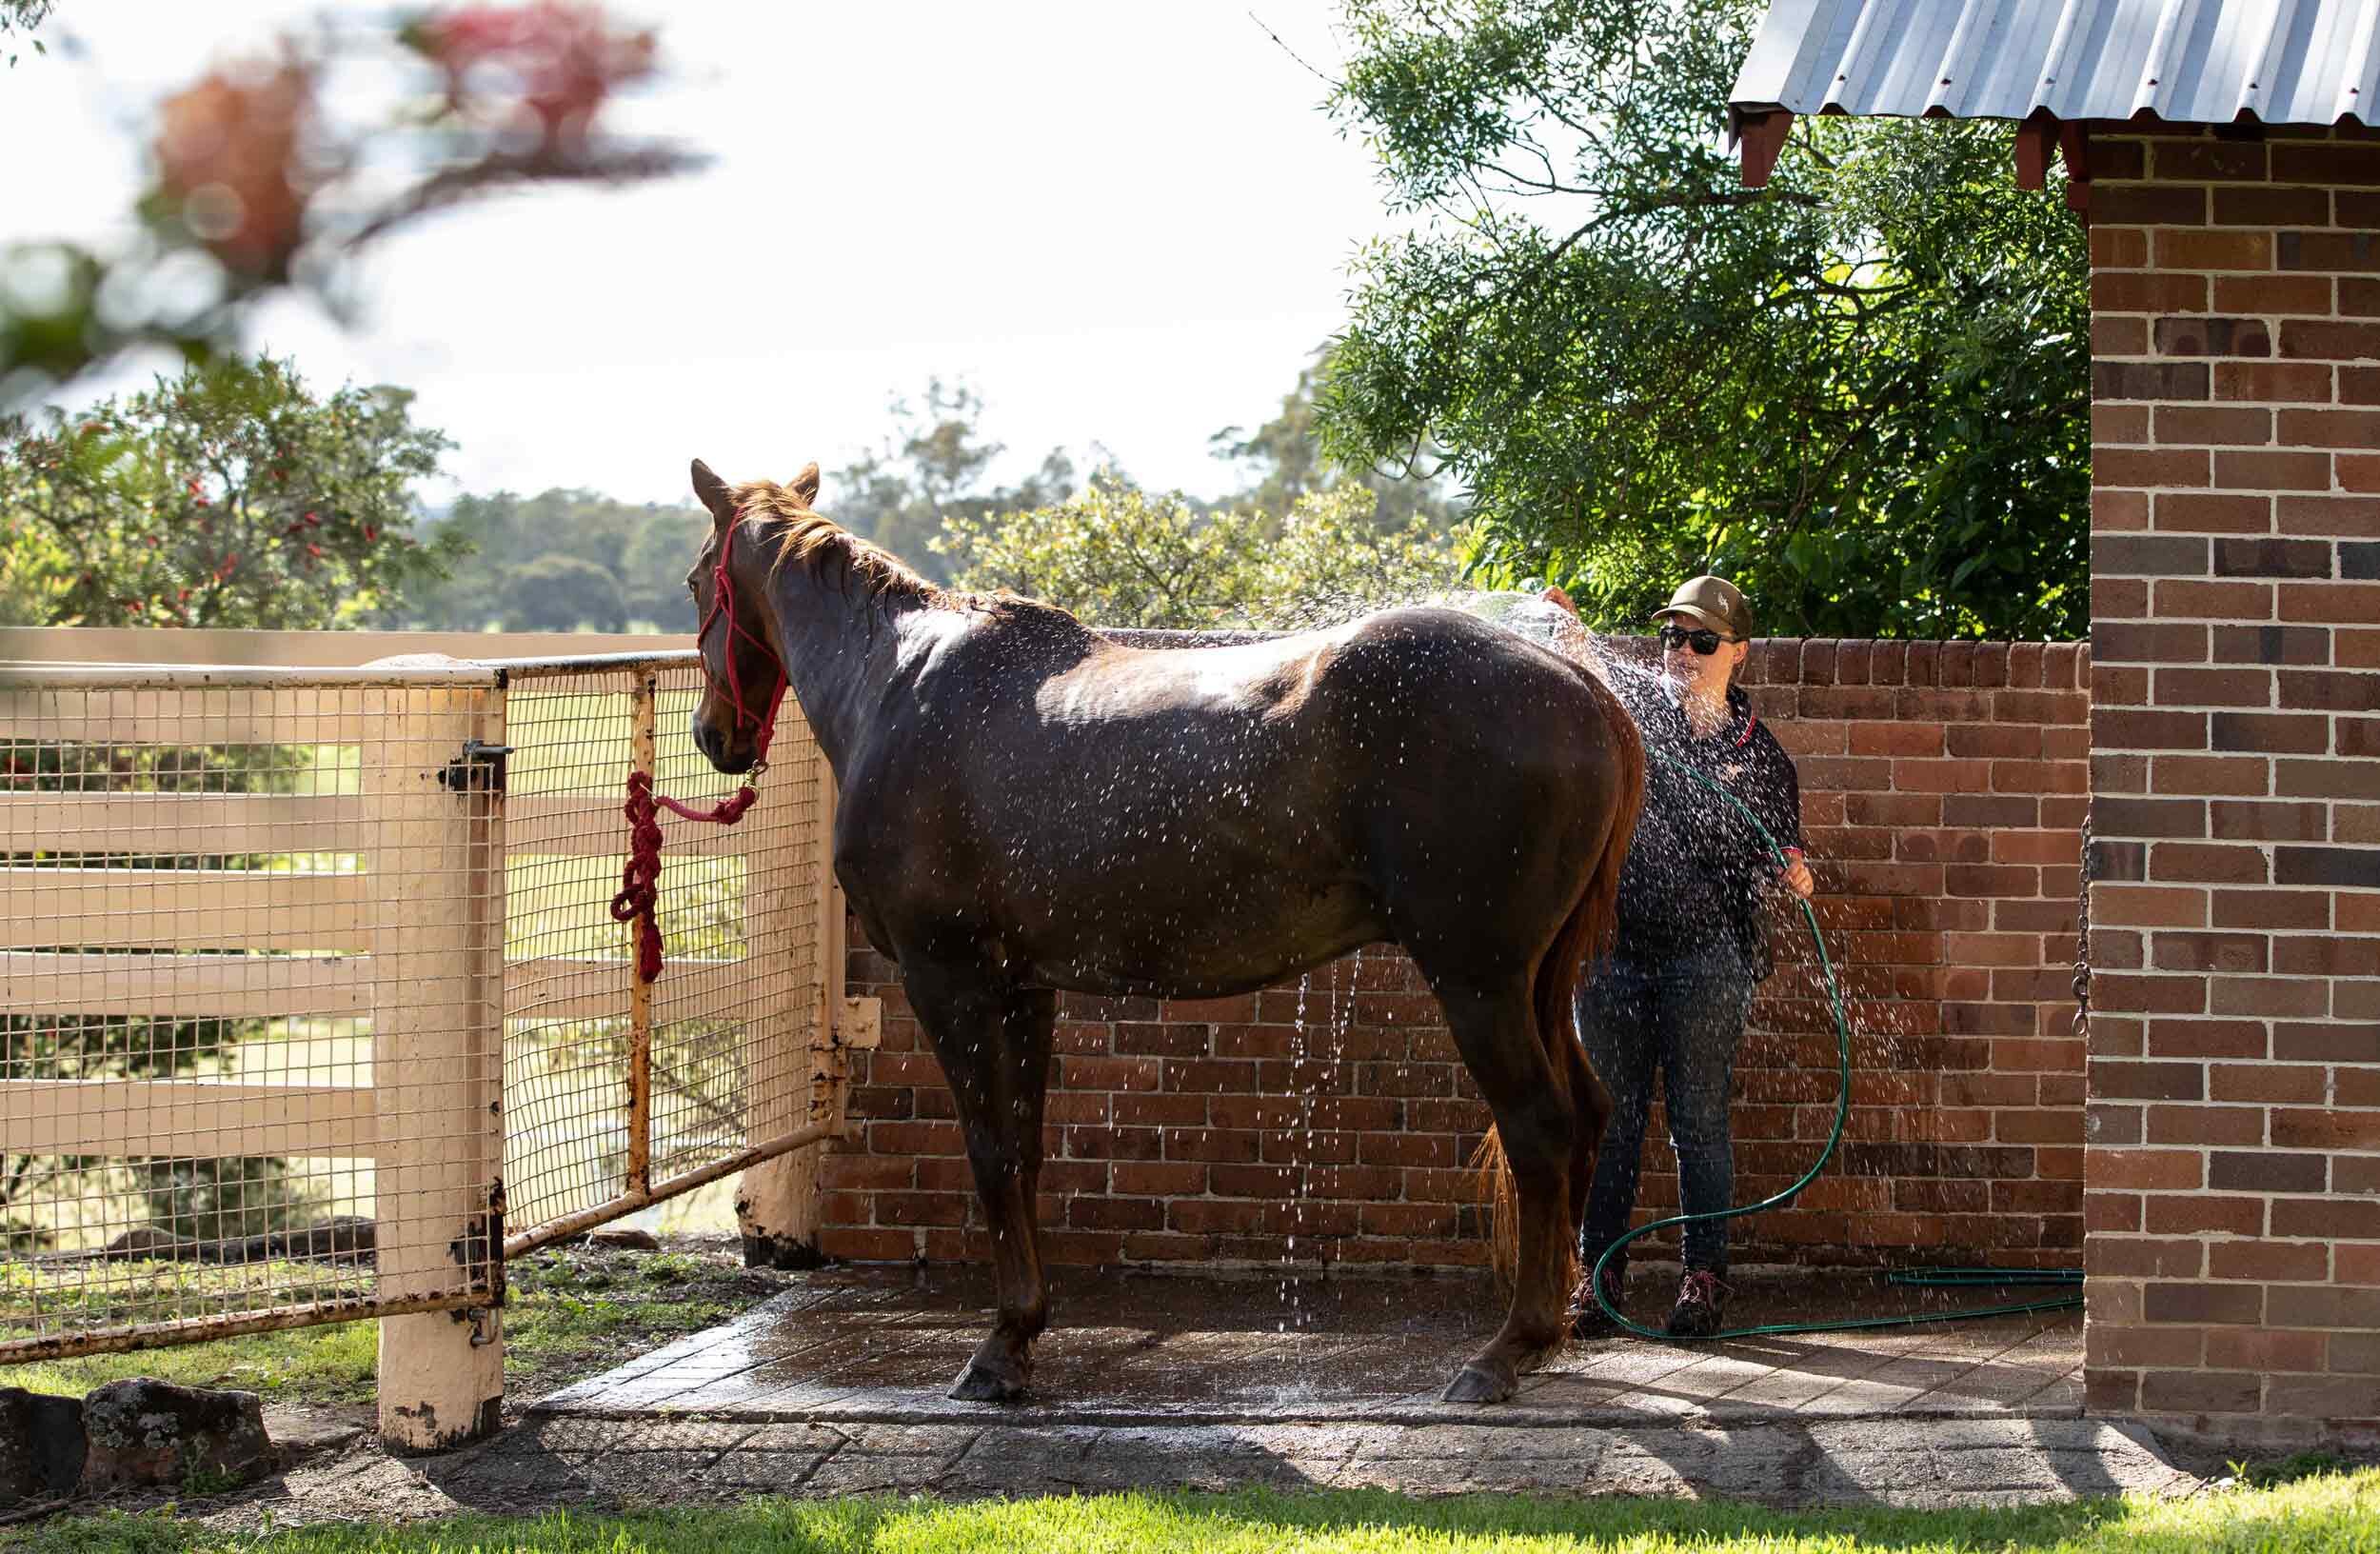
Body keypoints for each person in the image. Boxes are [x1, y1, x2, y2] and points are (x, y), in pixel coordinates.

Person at [1542, 575, 1814, 1338]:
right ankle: (1600, 1277)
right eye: (1672, 637)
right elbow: (1590, 665)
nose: (1682, 652)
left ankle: (1703, 1280)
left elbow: (1783, 850)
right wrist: (1570, 627)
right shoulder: (1631, 711)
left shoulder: (1762, 756)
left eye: (1701, 640)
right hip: (1613, 955)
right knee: (1609, 1122)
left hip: (1709, 961)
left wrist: (1795, 870)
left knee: (1698, 1123)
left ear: (1739, 653)